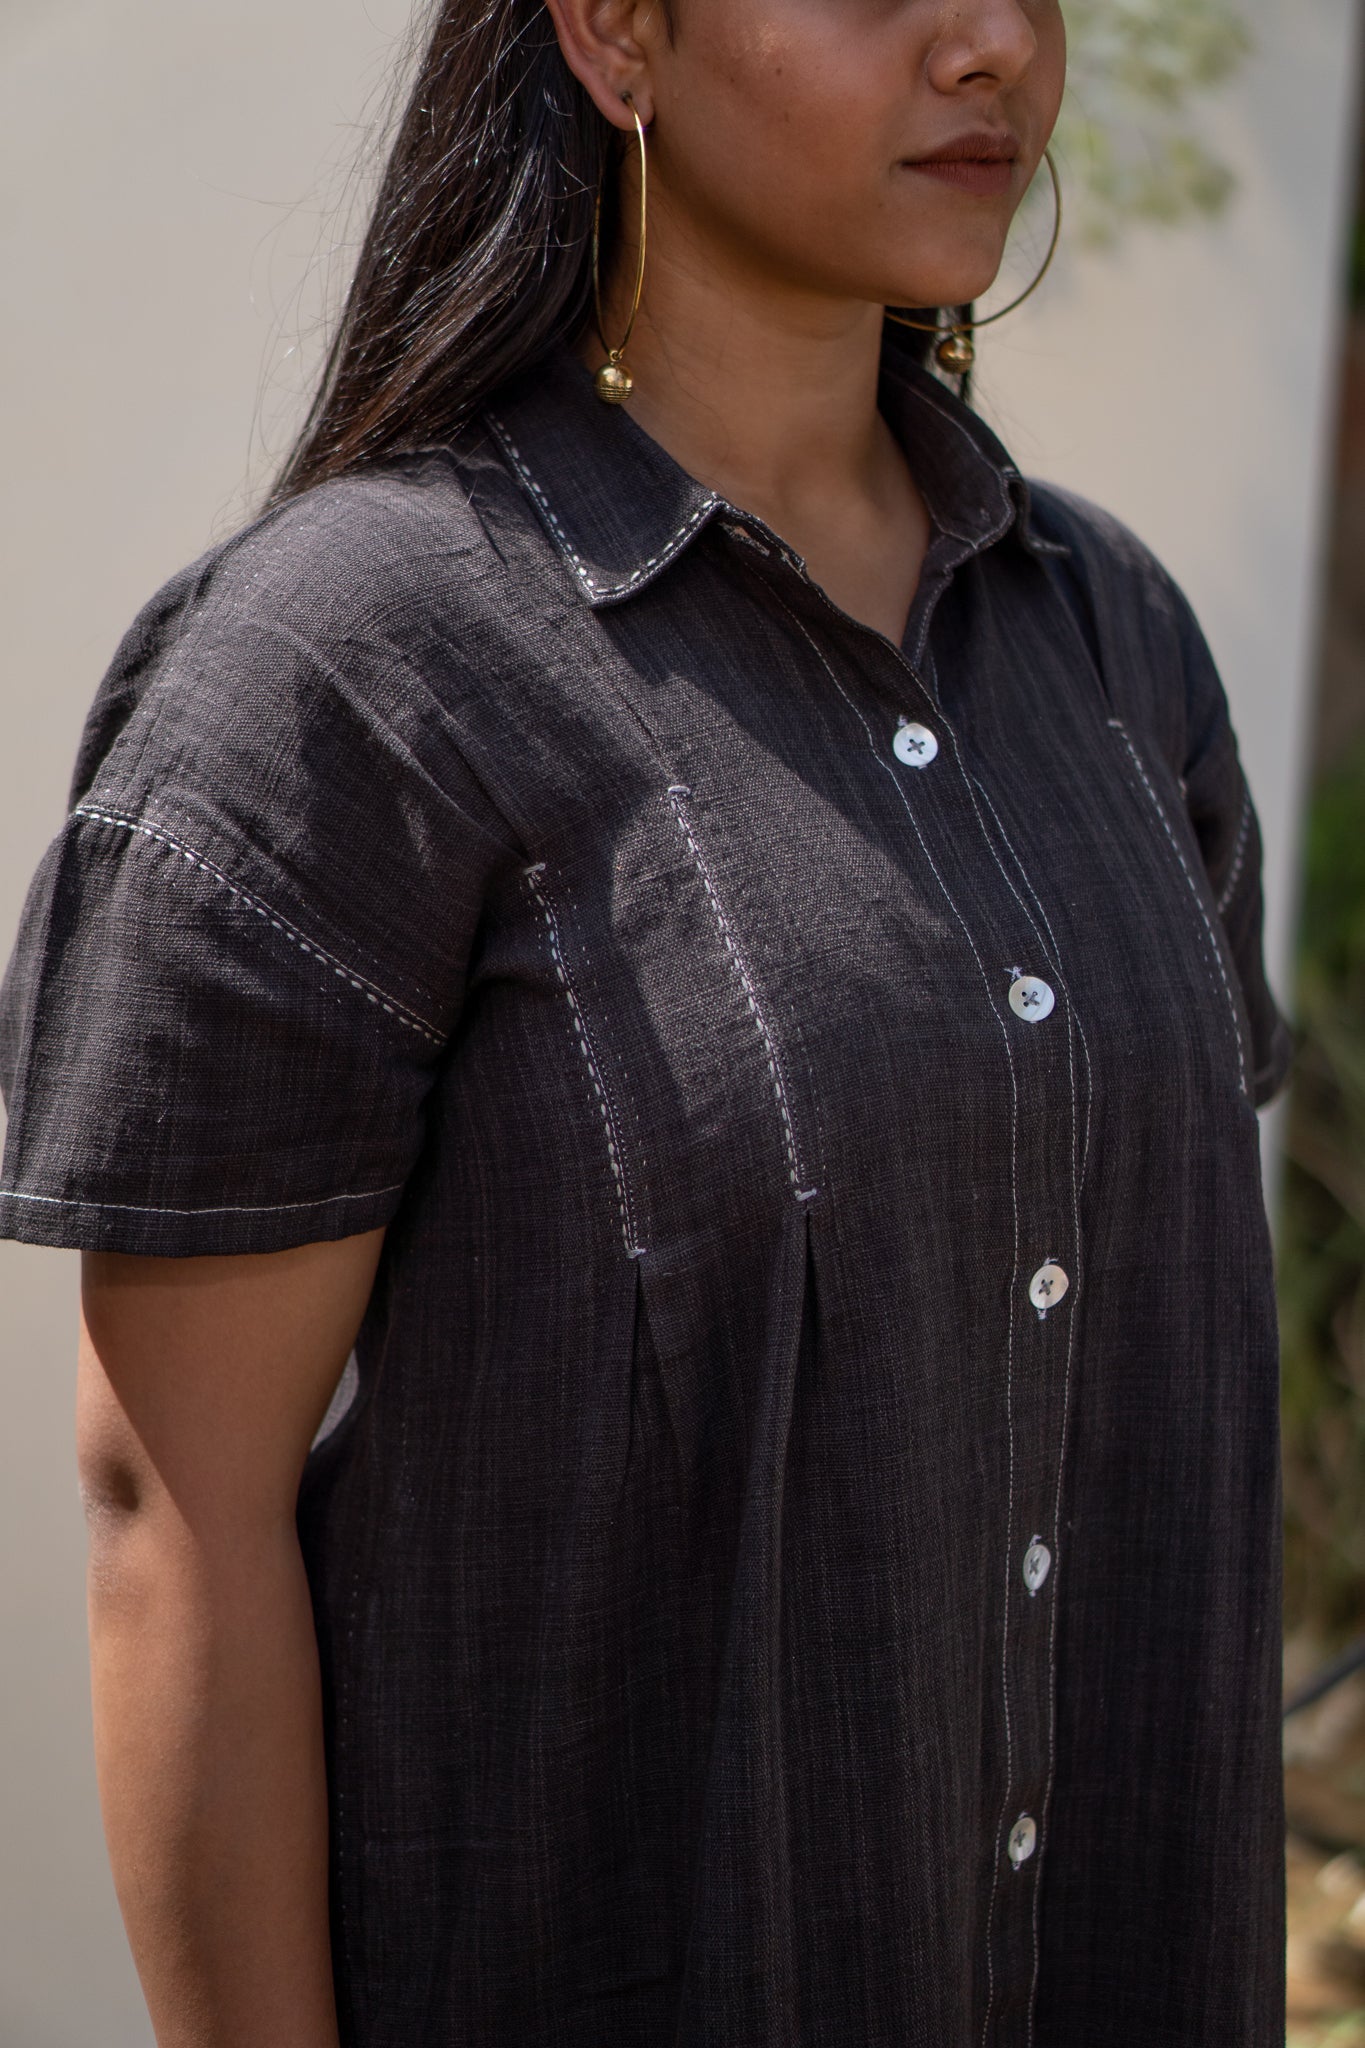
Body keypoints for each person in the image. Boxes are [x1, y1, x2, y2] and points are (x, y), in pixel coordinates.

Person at [0, 0, 1294, 2042]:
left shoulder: (1112, 640)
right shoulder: (354, 670)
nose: (991, 46)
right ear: (616, 34)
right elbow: (177, 1513)